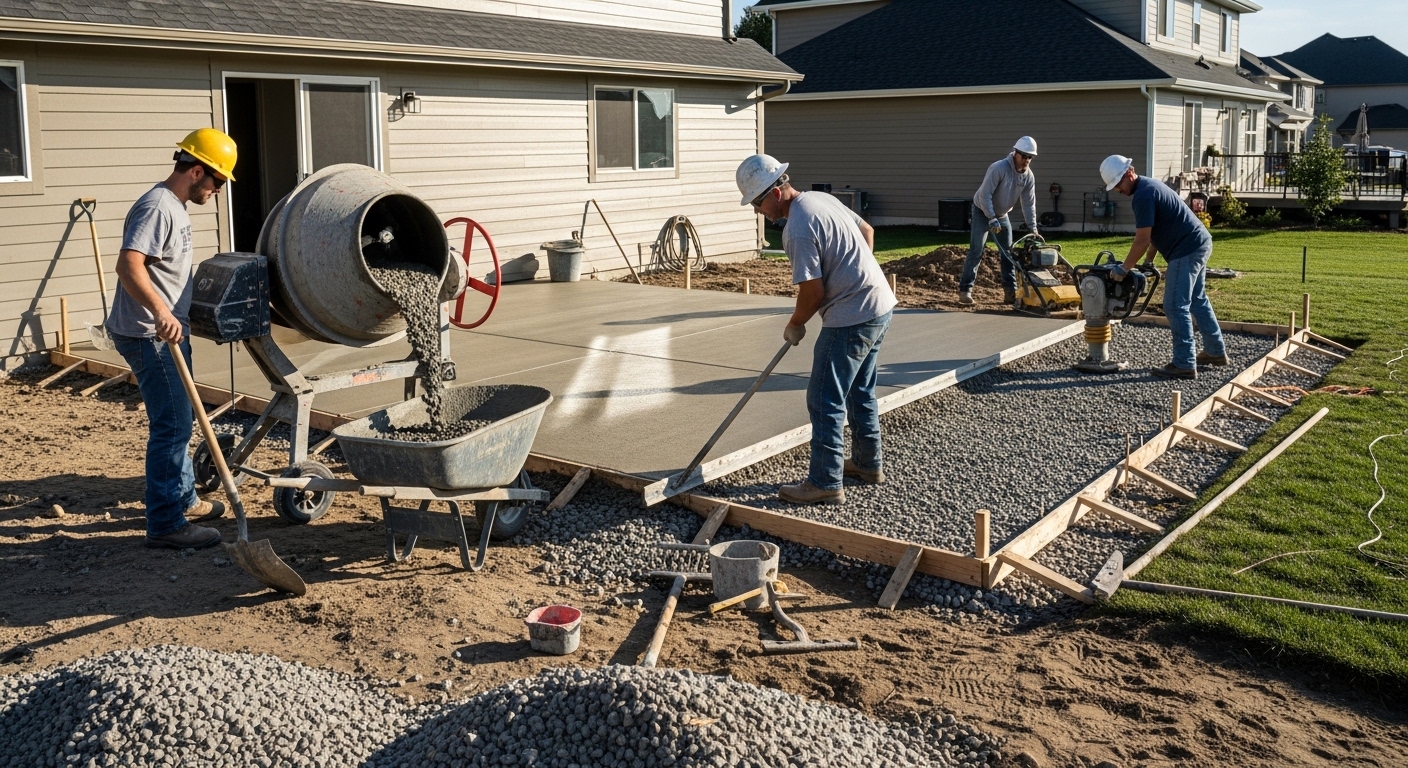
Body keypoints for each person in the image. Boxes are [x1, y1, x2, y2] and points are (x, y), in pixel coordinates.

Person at [736, 154, 897, 505]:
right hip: (880, 305)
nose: (758, 212)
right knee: (860, 389)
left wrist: (795, 324)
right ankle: (868, 464)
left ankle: (825, 482)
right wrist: (858, 275)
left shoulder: (797, 228)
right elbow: (867, 232)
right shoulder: (821, 199)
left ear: (774, 193)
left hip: (851, 317)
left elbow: (813, 292)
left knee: (824, 398)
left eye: (758, 204)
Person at [107, 128, 238, 549]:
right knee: (173, 425)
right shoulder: (157, 207)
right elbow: (128, 265)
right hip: (150, 334)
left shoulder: (175, 206)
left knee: (181, 419)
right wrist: (162, 312)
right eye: (218, 181)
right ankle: (165, 524)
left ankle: (183, 499)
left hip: (169, 333)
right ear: (196, 171)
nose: (218, 190)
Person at [1099, 154, 1228, 379]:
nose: (1118, 190)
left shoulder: (1143, 195)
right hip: (1199, 242)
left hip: (1186, 249)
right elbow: (1154, 235)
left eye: (1118, 184)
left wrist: (1124, 269)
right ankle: (1215, 351)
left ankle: (1184, 363)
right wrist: (1148, 261)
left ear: (1129, 173)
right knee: (1197, 300)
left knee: (1175, 306)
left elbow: (1141, 239)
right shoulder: (1149, 187)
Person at [960, 137, 1040, 306]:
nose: (1026, 160)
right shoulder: (999, 168)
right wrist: (991, 217)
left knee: (1008, 253)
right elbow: (985, 195)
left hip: (1002, 215)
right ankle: (965, 290)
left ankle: (1010, 292)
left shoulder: (1028, 177)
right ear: (1015, 153)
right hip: (982, 211)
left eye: (1030, 157)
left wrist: (1033, 228)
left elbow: (1028, 203)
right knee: (976, 250)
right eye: (1024, 156)